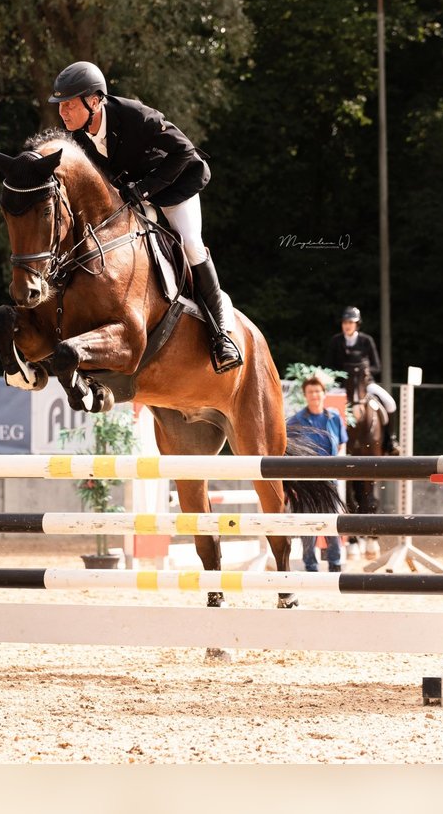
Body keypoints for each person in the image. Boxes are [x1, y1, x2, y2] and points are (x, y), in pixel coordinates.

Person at [48, 60, 242, 374]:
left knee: (191, 244)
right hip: (135, 194)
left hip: (176, 184)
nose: (63, 112)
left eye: (69, 104)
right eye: (61, 106)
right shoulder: (79, 138)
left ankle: (220, 334)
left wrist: (146, 189)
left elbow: (184, 153)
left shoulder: (136, 116)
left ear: (94, 100)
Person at [286, 372, 347, 572]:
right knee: (307, 525)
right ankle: (310, 565)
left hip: (329, 479)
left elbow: (340, 445)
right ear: (305, 395)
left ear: (324, 394)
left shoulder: (334, 418)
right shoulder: (295, 421)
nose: (314, 395)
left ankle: (335, 563)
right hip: (306, 482)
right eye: (310, 392)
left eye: (318, 391)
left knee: (331, 523)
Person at [325, 306, 399, 453]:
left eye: (350, 322)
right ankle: (326, 441)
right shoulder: (336, 341)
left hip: (364, 385)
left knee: (389, 402)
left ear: (357, 324)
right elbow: (329, 365)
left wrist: (361, 373)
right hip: (342, 386)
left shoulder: (366, 340)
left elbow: (377, 366)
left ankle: (391, 439)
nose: (347, 325)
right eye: (345, 322)